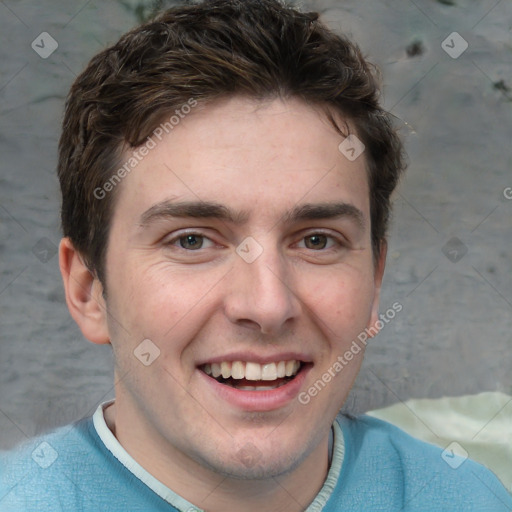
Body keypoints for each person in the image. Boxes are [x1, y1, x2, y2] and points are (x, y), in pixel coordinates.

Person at [1, 0, 511, 510]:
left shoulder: (465, 498)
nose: (267, 305)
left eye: (316, 240)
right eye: (192, 241)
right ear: (89, 291)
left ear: (375, 281)